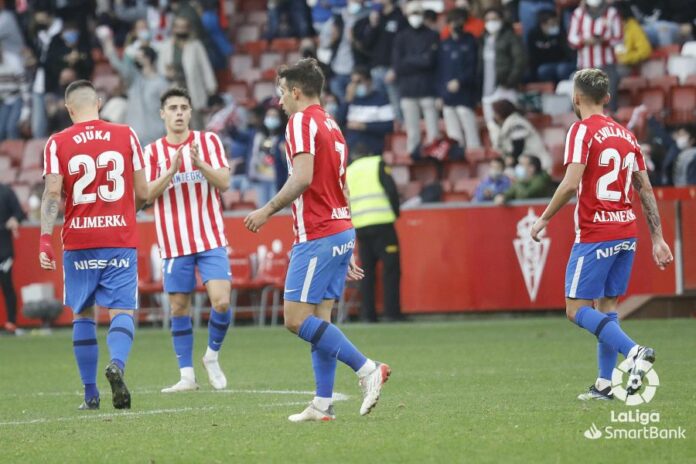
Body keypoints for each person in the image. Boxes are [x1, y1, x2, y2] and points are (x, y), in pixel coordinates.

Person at [243, 58, 390, 422]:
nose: (279, 102)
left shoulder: (301, 121)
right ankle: (323, 404)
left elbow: (303, 177)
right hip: (338, 229)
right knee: (321, 320)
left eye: (281, 93)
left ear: (295, 91)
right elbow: (342, 186)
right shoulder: (332, 125)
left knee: (295, 319)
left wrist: (266, 210)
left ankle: (368, 368)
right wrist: (348, 239)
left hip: (318, 233)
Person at [530, 68, 673, 401]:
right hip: (627, 233)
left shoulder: (581, 131)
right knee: (607, 308)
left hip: (596, 233)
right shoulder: (627, 136)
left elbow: (569, 184)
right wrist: (658, 238)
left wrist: (543, 219)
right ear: (607, 98)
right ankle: (605, 385)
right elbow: (645, 189)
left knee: (575, 309)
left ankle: (634, 351)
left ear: (576, 98)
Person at [39, 80, 148, 410]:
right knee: (121, 310)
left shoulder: (57, 143)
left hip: (79, 240)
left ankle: (90, 395)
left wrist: (44, 239)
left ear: (69, 109)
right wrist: (127, 211)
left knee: (83, 314)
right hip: (118, 237)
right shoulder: (126, 134)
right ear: (98, 103)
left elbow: (53, 195)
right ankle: (117, 364)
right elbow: (142, 193)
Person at [144, 87, 232, 393]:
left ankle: (212, 356)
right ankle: (186, 376)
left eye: (184, 107)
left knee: (221, 301)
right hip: (174, 243)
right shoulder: (152, 152)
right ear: (163, 114)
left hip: (210, 237)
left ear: (191, 112)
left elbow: (224, 182)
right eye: (173, 108)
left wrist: (200, 164)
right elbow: (144, 195)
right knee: (179, 308)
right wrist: (170, 171)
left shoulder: (208, 141)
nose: (179, 112)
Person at [346, 145, 402, 322]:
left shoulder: (348, 170)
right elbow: (391, 189)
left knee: (367, 273)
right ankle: (392, 313)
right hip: (382, 223)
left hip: (360, 226)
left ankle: (368, 315)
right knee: (391, 269)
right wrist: (396, 212)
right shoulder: (377, 163)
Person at [99, 28, 168, 146]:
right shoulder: (134, 79)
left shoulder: (162, 83)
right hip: (135, 137)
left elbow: (168, 110)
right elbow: (117, 63)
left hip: (157, 137)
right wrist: (107, 40)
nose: (136, 59)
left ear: (148, 59)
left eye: (139, 56)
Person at [392, 0, 440, 156]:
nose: (415, 17)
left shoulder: (432, 35)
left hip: (428, 88)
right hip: (408, 89)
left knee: (433, 130)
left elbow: (431, 61)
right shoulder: (401, 37)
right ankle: (413, 156)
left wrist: (409, 60)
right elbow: (398, 65)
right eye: (412, 13)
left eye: (418, 13)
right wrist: (420, 60)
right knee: (412, 132)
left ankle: (435, 154)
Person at [158, 16, 217, 130]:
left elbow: (205, 67)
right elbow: (161, 68)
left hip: (193, 89)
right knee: (175, 124)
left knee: (196, 125)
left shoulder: (196, 45)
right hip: (173, 88)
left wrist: (211, 87)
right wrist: (167, 73)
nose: (181, 30)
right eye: (178, 27)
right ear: (173, 28)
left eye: (184, 27)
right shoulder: (166, 46)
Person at [351, 0, 406, 121]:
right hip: (375, 68)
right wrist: (373, 26)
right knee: (381, 107)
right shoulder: (374, 17)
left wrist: (395, 68)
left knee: (397, 106)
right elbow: (366, 44)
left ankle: (401, 131)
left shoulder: (400, 18)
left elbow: (404, 47)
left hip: (393, 69)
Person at [567, 0, 622, 112]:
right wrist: (584, 41)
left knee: (608, 101)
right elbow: (571, 39)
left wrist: (603, 40)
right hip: (585, 67)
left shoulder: (612, 13)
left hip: (607, 65)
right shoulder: (578, 14)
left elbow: (619, 38)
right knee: (585, 103)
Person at [479, 8, 527, 137]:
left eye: (494, 19)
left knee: (512, 124)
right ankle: (501, 154)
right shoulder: (483, 39)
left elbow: (520, 61)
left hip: (505, 86)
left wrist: (510, 81)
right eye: (488, 20)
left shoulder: (510, 37)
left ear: (501, 20)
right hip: (487, 90)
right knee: (492, 126)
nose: (491, 22)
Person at [438, 8, 480, 151]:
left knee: (467, 119)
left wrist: (460, 81)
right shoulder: (444, 44)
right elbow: (441, 70)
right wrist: (441, 93)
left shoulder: (470, 41)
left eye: (458, 21)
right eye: (452, 22)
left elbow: (473, 67)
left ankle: (474, 150)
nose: (455, 25)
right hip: (447, 93)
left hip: (466, 91)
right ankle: (456, 151)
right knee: (451, 122)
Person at [344, 66, 394, 156]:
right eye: (353, 82)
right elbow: (339, 121)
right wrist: (347, 100)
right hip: (351, 151)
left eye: (359, 82)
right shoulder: (351, 100)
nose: (355, 85)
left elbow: (389, 126)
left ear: (369, 81)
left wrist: (365, 126)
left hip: (372, 151)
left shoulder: (381, 100)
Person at [492, 99, 551, 171]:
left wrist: (510, 160)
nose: (494, 116)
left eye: (496, 113)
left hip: (537, 164)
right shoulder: (507, 124)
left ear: (502, 113)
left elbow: (518, 147)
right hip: (526, 164)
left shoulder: (516, 123)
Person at [0, 183, 24, 334]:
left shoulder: (6, 192)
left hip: (3, 249)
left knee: (7, 285)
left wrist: (15, 219)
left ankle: (11, 323)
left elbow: (19, 213)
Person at [527, 9, 576, 83]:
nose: (555, 26)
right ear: (543, 25)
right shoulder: (534, 35)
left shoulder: (561, 33)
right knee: (542, 70)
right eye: (552, 24)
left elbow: (568, 53)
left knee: (562, 69)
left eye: (557, 23)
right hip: (544, 65)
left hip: (562, 63)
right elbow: (532, 57)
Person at [614, 1, 652, 78]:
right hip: (608, 65)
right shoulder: (607, 28)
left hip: (625, 66)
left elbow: (645, 51)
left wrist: (626, 58)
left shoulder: (633, 27)